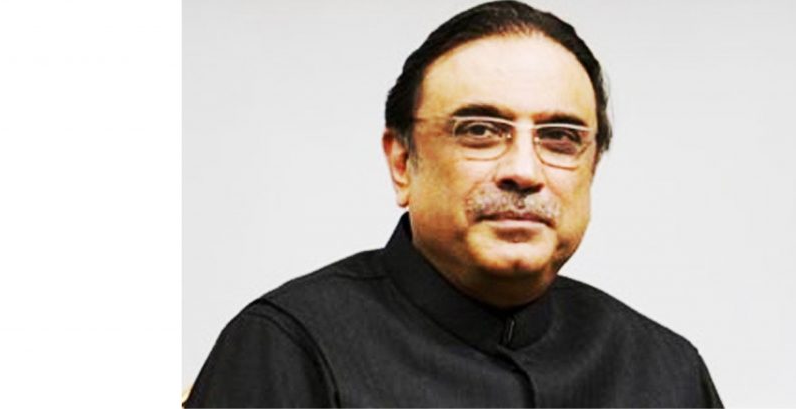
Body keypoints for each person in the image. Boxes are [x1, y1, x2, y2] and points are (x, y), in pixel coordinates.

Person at [185, 1, 723, 407]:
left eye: (560, 138)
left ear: (592, 167)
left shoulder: (665, 370)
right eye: (480, 131)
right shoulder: (291, 346)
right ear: (403, 163)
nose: (523, 171)